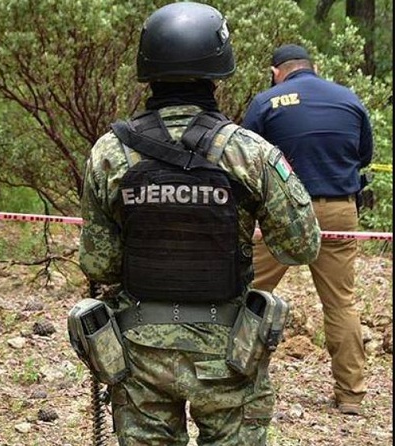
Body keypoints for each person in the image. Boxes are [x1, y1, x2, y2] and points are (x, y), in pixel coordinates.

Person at [78, 3, 321, 445]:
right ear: (217, 72)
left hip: (140, 353)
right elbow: (301, 246)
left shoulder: (110, 153)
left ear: (147, 71)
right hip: (229, 352)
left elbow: (99, 265)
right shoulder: (250, 153)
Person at [243, 44, 373, 416]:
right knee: (341, 302)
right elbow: (364, 156)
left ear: (276, 72)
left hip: (282, 209)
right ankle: (350, 395)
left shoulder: (267, 100)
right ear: (313, 68)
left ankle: (229, 378)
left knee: (248, 293)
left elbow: (245, 156)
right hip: (338, 209)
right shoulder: (349, 99)